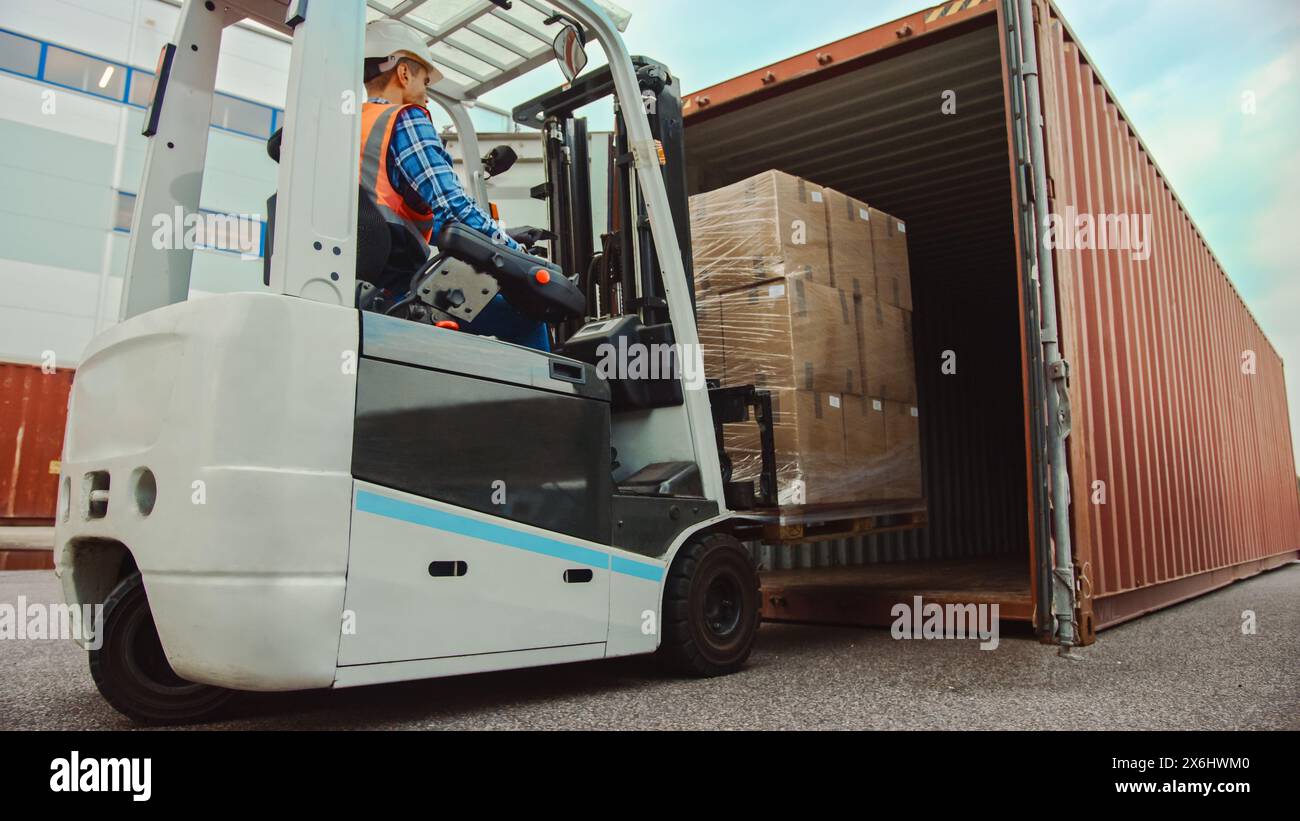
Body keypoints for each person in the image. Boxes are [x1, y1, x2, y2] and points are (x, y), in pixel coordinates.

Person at [360, 19, 550, 350]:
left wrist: (501, 232)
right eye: (425, 80)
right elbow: (452, 207)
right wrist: (516, 253)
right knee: (527, 317)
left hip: (364, 287)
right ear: (404, 73)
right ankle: (553, 404)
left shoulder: (349, 126)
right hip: (401, 290)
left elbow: (387, 209)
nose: (427, 96)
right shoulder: (405, 118)